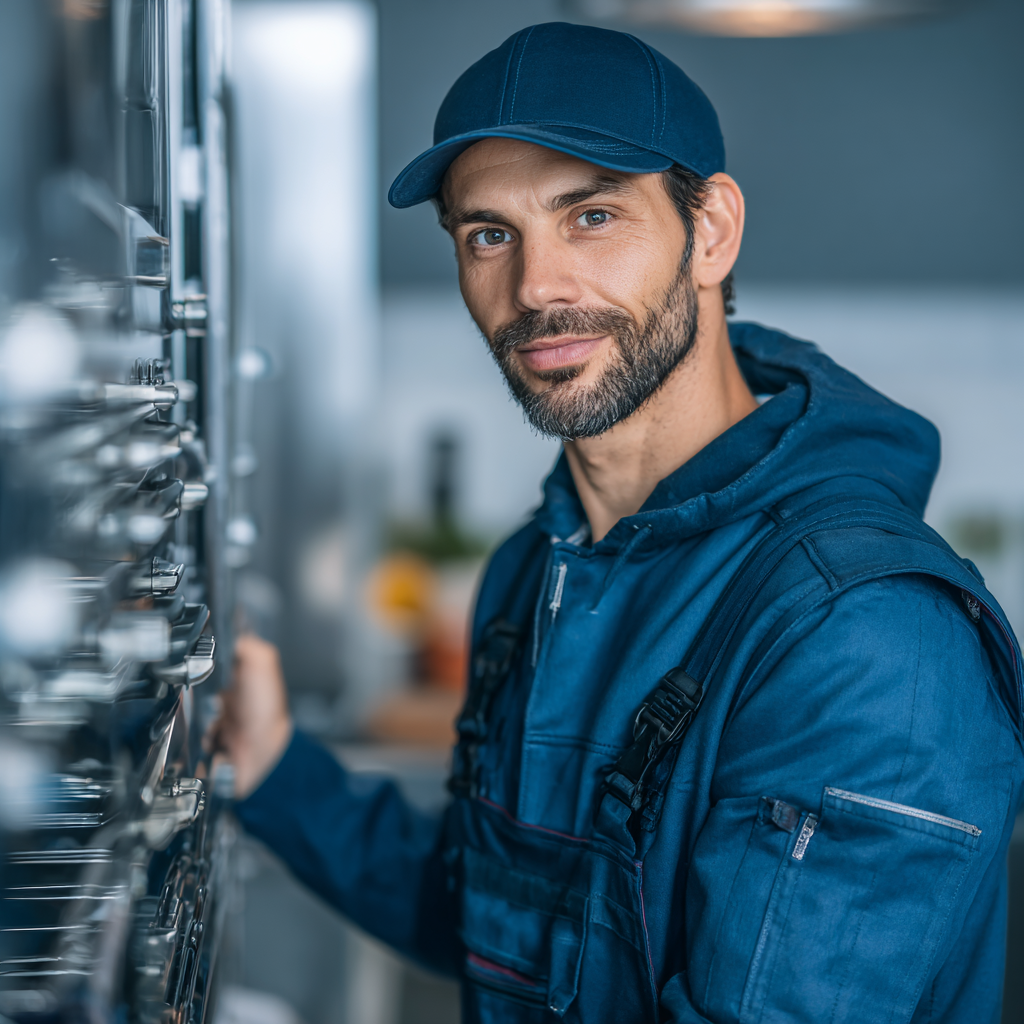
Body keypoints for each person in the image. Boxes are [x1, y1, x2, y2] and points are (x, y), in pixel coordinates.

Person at [214, 22, 1024, 1023]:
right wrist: (273, 767)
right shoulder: (538, 568)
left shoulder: (865, 635)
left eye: (591, 216)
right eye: (489, 234)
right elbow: (519, 930)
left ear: (711, 231)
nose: (537, 288)